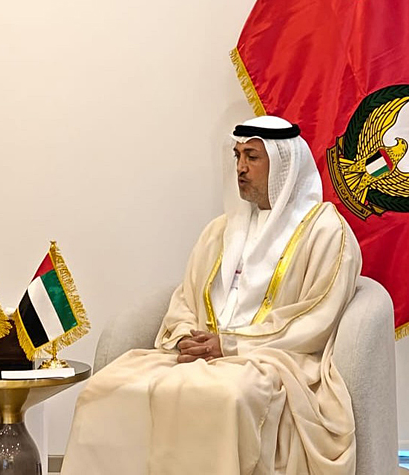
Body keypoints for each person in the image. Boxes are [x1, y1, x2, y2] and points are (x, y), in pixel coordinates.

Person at [60, 116, 361, 474]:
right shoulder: (222, 230)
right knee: (106, 387)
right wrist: (185, 336)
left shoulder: (325, 232)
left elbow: (315, 318)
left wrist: (230, 346)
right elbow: (185, 299)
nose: (241, 168)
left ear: (285, 164)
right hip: (202, 356)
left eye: (252, 157)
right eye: (237, 156)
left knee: (226, 397)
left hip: (272, 359)